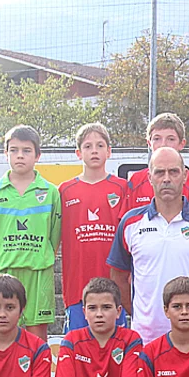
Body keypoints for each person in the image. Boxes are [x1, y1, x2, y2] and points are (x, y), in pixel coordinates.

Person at [108, 147, 189, 343]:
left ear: (185, 176)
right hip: (147, 337)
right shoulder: (130, 223)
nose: (166, 179)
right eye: (159, 172)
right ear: (149, 177)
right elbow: (118, 277)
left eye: (173, 171)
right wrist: (142, 314)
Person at [0, 125, 61, 342]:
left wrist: (42, 257)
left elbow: (55, 235)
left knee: (37, 336)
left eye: (26, 150)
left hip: (38, 271)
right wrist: (0, 259)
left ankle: (38, 368)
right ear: (5, 153)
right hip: (4, 270)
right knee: (3, 332)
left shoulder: (50, 192)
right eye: (14, 150)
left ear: (37, 155)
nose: (20, 155)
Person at [59, 123, 130, 332]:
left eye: (100, 145)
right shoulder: (65, 190)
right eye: (88, 146)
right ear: (78, 153)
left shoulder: (122, 187)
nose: (94, 151)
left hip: (114, 288)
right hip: (77, 288)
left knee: (116, 347)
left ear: (109, 151)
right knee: (77, 347)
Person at [125, 113, 189, 210]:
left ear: (182, 144)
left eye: (171, 139)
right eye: (157, 139)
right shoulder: (136, 180)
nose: (163, 144)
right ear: (149, 143)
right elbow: (128, 217)